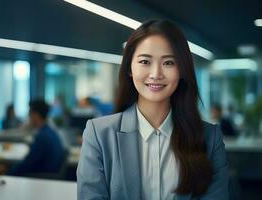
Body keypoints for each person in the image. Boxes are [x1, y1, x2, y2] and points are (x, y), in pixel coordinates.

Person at [77, 20, 229, 200]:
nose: (156, 74)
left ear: (182, 70)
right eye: (145, 61)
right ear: (129, 69)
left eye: (169, 62)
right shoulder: (99, 134)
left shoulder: (210, 138)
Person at [9, 99, 64, 176]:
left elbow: (27, 164)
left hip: (39, 178)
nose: (29, 117)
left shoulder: (42, 137)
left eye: (29, 113)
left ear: (36, 115)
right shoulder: (51, 132)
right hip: (49, 177)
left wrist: (9, 172)